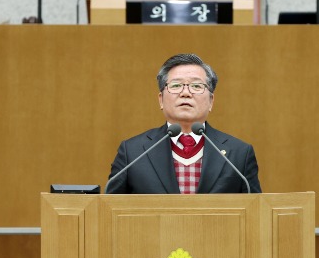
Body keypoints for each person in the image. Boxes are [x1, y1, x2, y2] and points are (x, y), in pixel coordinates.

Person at [106, 53, 261, 194]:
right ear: (161, 99)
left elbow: (255, 212)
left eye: (196, 86)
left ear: (211, 101)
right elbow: (109, 210)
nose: (185, 93)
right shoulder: (133, 152)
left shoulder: (239, 153)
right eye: (175, 86)